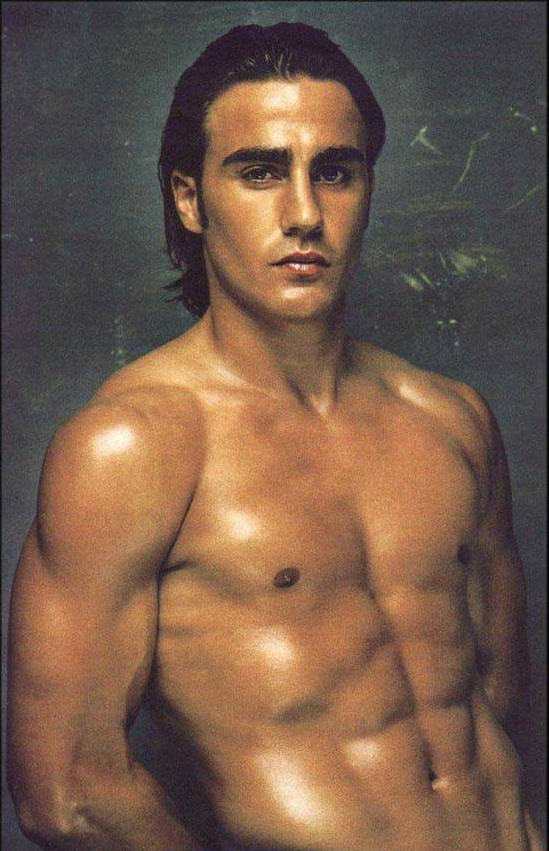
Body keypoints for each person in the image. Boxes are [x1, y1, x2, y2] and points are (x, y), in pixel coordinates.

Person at [7, 22, 544, 851]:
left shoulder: (452, 418)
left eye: (334, 172)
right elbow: (69, 791)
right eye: (259, 172)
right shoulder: (133, 447)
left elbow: (496, 696)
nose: (304, 214)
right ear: (189, 198)